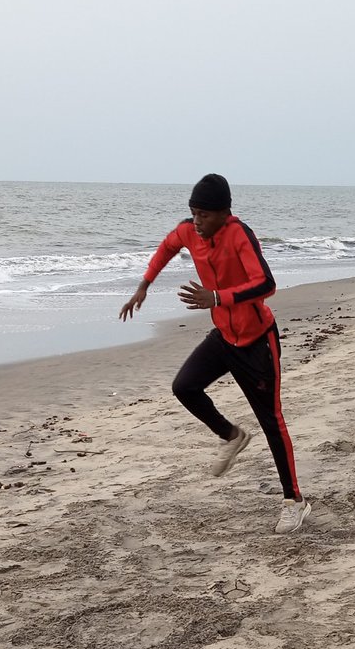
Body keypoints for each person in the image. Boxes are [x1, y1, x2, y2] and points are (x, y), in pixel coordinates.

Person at [119, 173, 309, 534]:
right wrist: (143, 285)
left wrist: (219, 297)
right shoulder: (190, 231)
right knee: (184, 387)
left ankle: (294, 501)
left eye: (204, 215)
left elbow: (266, 284)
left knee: (273, 423)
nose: (197, 221)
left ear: (224, 213)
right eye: (193, 213)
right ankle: (232, 435)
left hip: (257, 341)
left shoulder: (239, 234)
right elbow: (166, 247)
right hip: (224, 336)